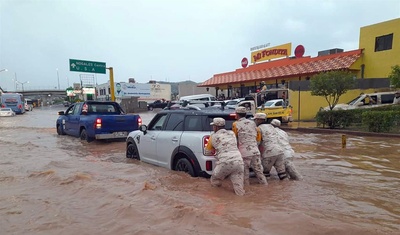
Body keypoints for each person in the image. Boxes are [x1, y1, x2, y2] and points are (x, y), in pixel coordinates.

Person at [205, 117, 245, 196]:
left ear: (215, 127)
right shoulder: (232, 133)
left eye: (213, 126)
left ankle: (218, 198)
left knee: (215, 179)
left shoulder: (213, 136)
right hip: (239, 161)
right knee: (239, 188)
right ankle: (241, 202)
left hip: (225, 162)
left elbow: (207, 151)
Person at [232, 107, 267, 185]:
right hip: (255, 151)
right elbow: (258, 138)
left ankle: (247, 189)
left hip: (244, 152)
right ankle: (265, 186)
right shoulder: (253, 123)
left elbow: (234, 138)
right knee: (259, 172)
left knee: (245, 173)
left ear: (237, 115)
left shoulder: (235, 124)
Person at [253, 113, 288, 180]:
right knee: (282, 174)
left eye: (255, 120)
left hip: (269, 153)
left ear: (258, 120)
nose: (255, 121)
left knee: (265, 175)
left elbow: (258, 142)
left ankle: (266, 189)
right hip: (280, 151)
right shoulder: (272, 127)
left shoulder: (258, 129)